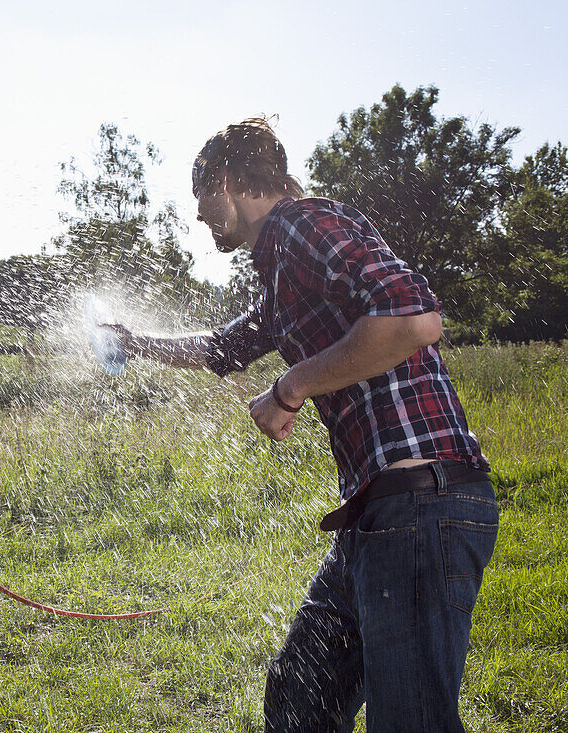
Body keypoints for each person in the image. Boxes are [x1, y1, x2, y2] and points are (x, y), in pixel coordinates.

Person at [110, 118, 498, 731]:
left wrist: (291, 388)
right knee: (299, 701)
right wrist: (134, 344)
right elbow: (222, 347)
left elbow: (414, 319)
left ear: (229, 181)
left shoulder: (306, 225)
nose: (200, 215)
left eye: (201, 197)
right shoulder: (279, 270)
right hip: (375, 518)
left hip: (423, 506)